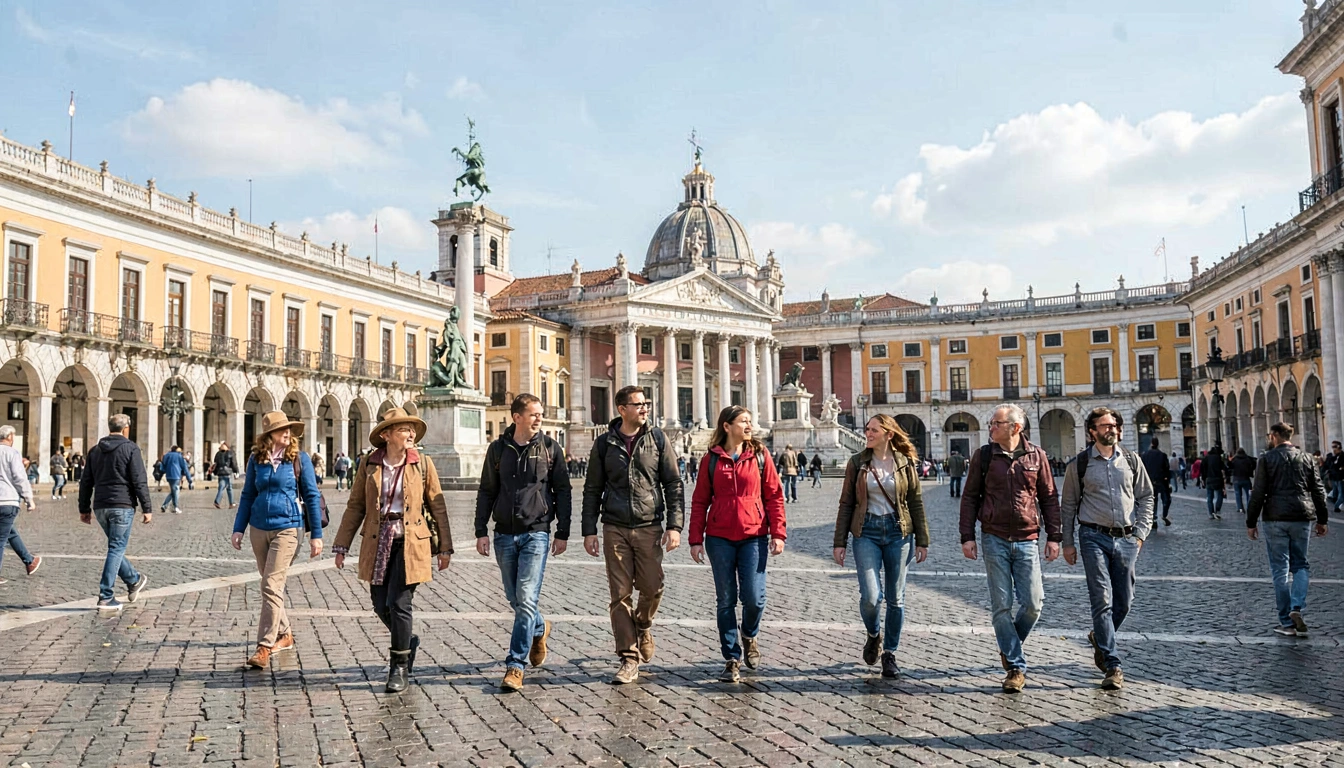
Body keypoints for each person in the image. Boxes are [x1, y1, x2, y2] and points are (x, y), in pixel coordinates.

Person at [334, 408, 451, 692]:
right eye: (403, 429)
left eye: (411, 429)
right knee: (379, 604)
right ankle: (407, 641)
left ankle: (399, 667)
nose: (410, 434)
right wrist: (341, 544)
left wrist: (444, 547)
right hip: (378, 539)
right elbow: (356, 505)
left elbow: (437, 505)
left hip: (412, 541)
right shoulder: (369, 464)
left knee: (400, 603)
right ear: (386, 435)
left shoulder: (422, 463)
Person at [582, 385, 684, 685]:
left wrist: (675, 526)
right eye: (638, 404)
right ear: (621, 409)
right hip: (614, 526)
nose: (645, 408)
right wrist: (589, 530)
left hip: (649, 524)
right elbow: (591, 489)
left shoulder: (658, 439)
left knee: (653, 587)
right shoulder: (603, 444)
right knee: (619, 595)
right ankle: (628, 658)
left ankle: (643, 623)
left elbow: (674, 484)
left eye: (646, 403)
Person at [958, 403, 1061, 694]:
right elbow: (970, 497)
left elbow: (1050, 498)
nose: (990, 427)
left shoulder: (1036, 456)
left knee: (1033, 604)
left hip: (1028, 538)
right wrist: (967, 536)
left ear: (1015, 428)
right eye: (991, 423)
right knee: (1001, 606)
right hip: (994, 536)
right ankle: (1016, 667)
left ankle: (1008, 643)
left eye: (996, 423)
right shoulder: (984, 456)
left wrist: (1055, 537)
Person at [474, 394, 571, 692]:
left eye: (540, 413)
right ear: (516, 416)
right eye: (534, 413)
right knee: (515, 599)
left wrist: (562, 531)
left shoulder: (551, 448)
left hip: (536, 532)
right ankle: (540, 628)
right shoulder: (497, 450)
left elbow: (563, 491)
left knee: (526, 598)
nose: (539, 418)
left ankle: (515, 665)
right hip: (504, 532)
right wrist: (481, 529)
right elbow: (487, 490)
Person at [690, 406, 786, 683]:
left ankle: (749, 635)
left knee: (754, 598)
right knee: (726, 600)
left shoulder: (759, 456)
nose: (750, 425)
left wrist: (778, 533)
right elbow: (699, 501)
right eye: (744, 421)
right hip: (719, 538)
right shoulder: (710, 459)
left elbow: (775, 497)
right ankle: (731, 657)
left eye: (750, 420)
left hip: (753, 534)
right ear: (726, 426)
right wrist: (696, 538)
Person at [1060, 407, 1154, 691]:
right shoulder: (1079, 465)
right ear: (1092, 431)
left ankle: (1100, 636)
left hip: (1127, 538)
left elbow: (1146, 497)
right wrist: (1067, 542)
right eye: (1105, 425)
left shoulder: (1131, 460)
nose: (1111, 429)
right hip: (1093, 536)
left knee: (1124, 601)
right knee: (1101, 599)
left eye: (1114, 425)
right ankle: (1112, 663)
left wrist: (1141, 533)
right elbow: (1068, 506)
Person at [833, 415, 928, 679]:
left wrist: (922, 539)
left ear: (888, 434)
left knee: (896, 598)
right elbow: (846, 503)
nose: (868, 433)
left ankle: (890, 654)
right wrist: (839, 542)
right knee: (871, 597)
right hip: (867, 532)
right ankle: (873, 633)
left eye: (874, 430)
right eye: (867, 429)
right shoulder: (857, 462)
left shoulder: (904, 463)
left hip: (899, 533)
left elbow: (916, 501)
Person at [232, 412, 324, 670]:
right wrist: (238, 528)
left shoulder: (299, 459)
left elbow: (312, 496)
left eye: (289, 429)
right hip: (259, 528)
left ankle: (263, 647)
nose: (287, 433)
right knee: (269, 585)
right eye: (282, 429)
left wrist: (316, 534)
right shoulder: (256, 459)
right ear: (269, 434)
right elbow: (248, 494)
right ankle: (285, 634)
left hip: (288, 528)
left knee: (271, 585)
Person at [1246, 421, 1329, 637]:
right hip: (1301, 516)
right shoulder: (1307, 458)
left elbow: (1258, 492)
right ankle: (1296, 607)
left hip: (1274, 517)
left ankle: (1286, 622)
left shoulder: (1266, 458)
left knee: (1280, 569)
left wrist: (1251, 522)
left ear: (1274, 436)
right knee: (1301, 564)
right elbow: (1318, 490)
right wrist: (1322, 519)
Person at [78, 414, 152, 612]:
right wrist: (147, 508)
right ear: (126, 428)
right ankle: (106, 595)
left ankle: (133, 579)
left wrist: (84, 508)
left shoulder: (94, 451)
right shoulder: (131, 448)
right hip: (122, 504)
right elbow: (139, 480)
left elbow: (85, 482)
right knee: (116, 548)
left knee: (115, 547)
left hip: (101, 505)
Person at [0, 425, 41, 586]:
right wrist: (29, 498)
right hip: (7, 501)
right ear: (10, 437)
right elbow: (19, 478)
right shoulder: (12, 453)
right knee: (1, 538)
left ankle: (29, 561)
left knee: (10, 532)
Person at [1141, 438, 1172, 529]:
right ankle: (1164, 515)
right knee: (1166, 499)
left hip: (1149, 481)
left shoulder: (1145, 455)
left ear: (1151, 444)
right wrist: (1168, 480)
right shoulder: (1162, 455)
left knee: (1153, 500)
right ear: (1158, 444)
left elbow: (1142, 469)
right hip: (1161, 481)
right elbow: (1167, 468)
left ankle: (1153, 518)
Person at [158, 446, 188, 514]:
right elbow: (184, 467)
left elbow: (163, 465)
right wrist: (188, 478)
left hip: (169, 476)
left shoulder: (166, 456)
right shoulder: (178, 456)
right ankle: (175, 507)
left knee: (173, 492)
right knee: (176, 491)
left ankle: (164, 505)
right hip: (176, 476)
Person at [1202, 445, 1229, 519]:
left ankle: (1211, 513)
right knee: (1219, 495)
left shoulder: (1206, 458)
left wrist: (1203, 479)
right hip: (1218, 478)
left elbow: (1203, 469)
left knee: (1210, 497)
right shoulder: (1218, 458)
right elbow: (1224, 468)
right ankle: (1217, 510)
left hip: (1209, 479)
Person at [1230, 447, 1257, 515]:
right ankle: (1249, 507)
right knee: (1249, 494)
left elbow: (1229, 466)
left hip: (1236, 479)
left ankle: (1240, 508)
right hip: (1245, 478)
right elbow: (1254, 463)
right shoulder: (1247, 459)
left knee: (1238, 494)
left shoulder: (1235, 459)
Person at [213, 442, 238, 509]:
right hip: (228, 473)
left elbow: (215, 464)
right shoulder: (230, 453)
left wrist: (215, 472)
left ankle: (217, 501)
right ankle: (231, 503)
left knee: (221, 488)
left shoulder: (218, 454)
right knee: (229, 488)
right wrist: (236, 471)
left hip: (220, 473)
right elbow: (233, 463)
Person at [1322, 441, 1343, 511]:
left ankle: (1336, 506)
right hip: (1334, 477)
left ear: (1339, 447)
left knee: (1341, 493)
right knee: (1337, 492)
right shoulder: (1331, 456)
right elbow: (1329, 466)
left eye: (1335, 447)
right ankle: (1336, 505)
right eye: (1332, 447)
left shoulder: (1342, 456)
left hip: (1340, 477)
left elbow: (1340, 467)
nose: (1333, 449)